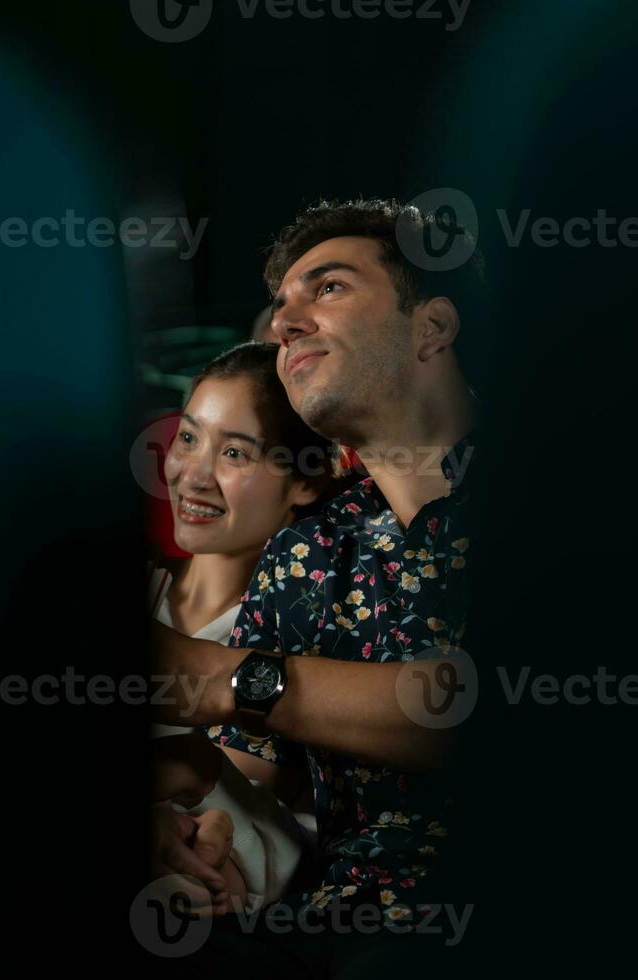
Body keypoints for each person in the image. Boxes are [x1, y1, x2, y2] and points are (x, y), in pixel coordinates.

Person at [146, 198, 485, 946]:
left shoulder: (564, 482)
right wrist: (195, 814)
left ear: (433, 326)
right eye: (280, 305)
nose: (284, 323)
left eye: (327, 288)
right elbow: (258, 802)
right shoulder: (304, 555)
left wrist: (211, 677)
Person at [146, 341, 347, 913]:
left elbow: (222, 827)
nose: (193, 475)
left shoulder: (301, 649)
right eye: (188, 438)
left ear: (304, 482)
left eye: (234, 453)